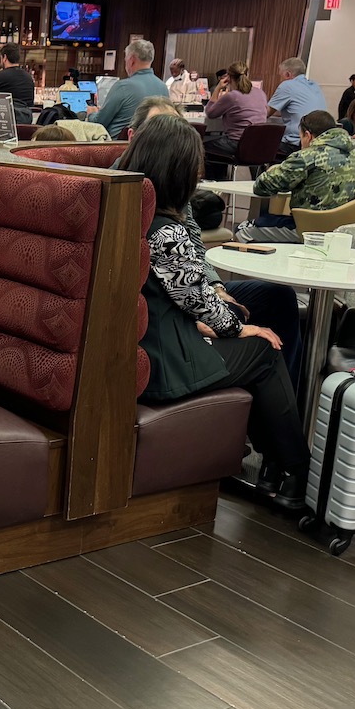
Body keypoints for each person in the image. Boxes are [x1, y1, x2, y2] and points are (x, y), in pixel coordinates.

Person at [125, 115, 310, 507]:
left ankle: (278, 463)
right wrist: (237, 328)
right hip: (165, 364)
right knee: (265, 349)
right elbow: (196, 300)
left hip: (139, 345)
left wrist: (220, 322)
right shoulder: (165, 229)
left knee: (257, 338)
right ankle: (296, 469)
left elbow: (177, 295)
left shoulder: (123, 208)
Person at [117, 98, 303, 390]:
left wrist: (216, 289)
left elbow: (191, 247)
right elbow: (183, 280)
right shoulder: (139, 201)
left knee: (276, 298)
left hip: (177, 301)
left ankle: (287, 397)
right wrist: (229, 323)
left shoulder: (151, 194)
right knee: (265, 346)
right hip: (166, 336)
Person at [236, 110, 355, 244]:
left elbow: (261, 187)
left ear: (308, 135)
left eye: (301, 137)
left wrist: (275, 169)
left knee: (243, 230)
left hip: (314, 230)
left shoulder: (307, 156)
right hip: (354, 231)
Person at [93, 39, 167, 140]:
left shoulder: (122, 87)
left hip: (119, 149)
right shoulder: (163, 87)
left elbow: (98, 123)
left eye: (125, 59)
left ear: (131, 60)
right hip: (152, 147)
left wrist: (91, 113)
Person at [202, 60, 269, 171]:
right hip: (258, 144)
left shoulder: (232, 96)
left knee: (201, 147)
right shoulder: (260, 93)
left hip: (237, 143)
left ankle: (214, 182)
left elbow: (210, 113)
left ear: (228, 77)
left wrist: (218, 88)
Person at [268, 57, 326, 156]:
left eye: (281, 75)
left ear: (287, 74)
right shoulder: (315, 86)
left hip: (295, 144)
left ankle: (267, 171)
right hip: (318, 144)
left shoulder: (287, 85)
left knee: (257, 146)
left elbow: (265, 113)